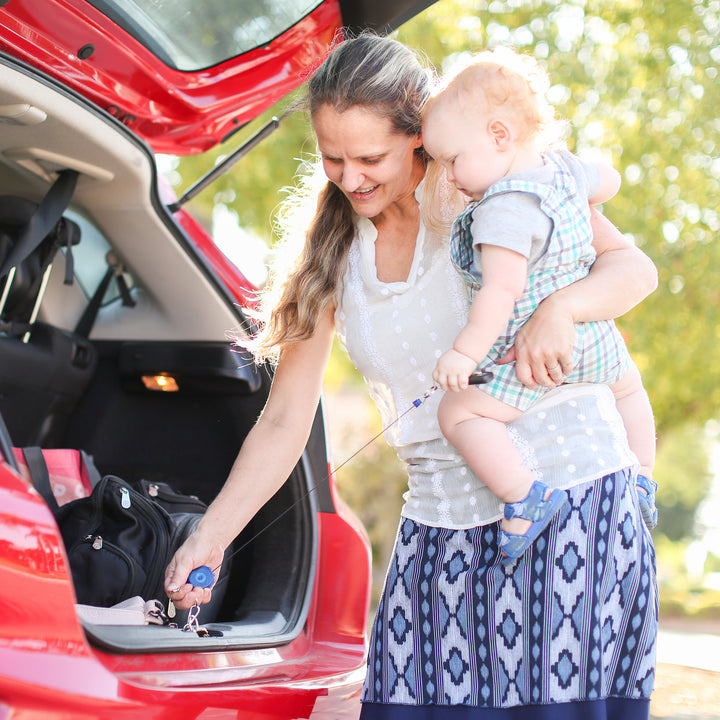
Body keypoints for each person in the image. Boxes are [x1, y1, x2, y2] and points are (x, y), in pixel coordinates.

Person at [165, 34, 659, 719]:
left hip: (567, 501)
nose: (351, 177)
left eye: (371, 158)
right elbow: (283, 421)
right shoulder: (335, 254)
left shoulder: (494, 191)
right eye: (333, 158)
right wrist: (210, 537)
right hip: (437, 523)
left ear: (420, 138)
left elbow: (634, 270)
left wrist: (562, 308)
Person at [420, 47, 657, 565]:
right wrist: (585, 184)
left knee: (458, 412)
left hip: (532, 353)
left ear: (499, 135)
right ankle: (641, 476)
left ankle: (523, 494)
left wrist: (463, 355)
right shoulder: (564, 170)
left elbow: (499, 295)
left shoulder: (503, 211)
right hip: (594, 337)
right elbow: (610, 181)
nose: (449, 176)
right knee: (630, 388)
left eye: (452, 159)